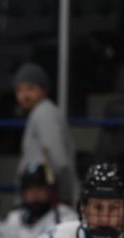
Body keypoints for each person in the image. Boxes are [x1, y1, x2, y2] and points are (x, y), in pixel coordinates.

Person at [13, 62, 78, 205]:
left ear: (43, 90)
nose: (25, 95)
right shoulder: (40, 112)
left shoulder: (44, 112)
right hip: (42, 198)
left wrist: (64, 198)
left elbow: (59, 161)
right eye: (20, 90)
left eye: (30, 89)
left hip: (49, 201)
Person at [0, 162, 78, 238]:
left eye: (39, 188)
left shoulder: (66, 216)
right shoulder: (14, 218)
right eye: (30, 189)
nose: (34, 194)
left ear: (50, 191)